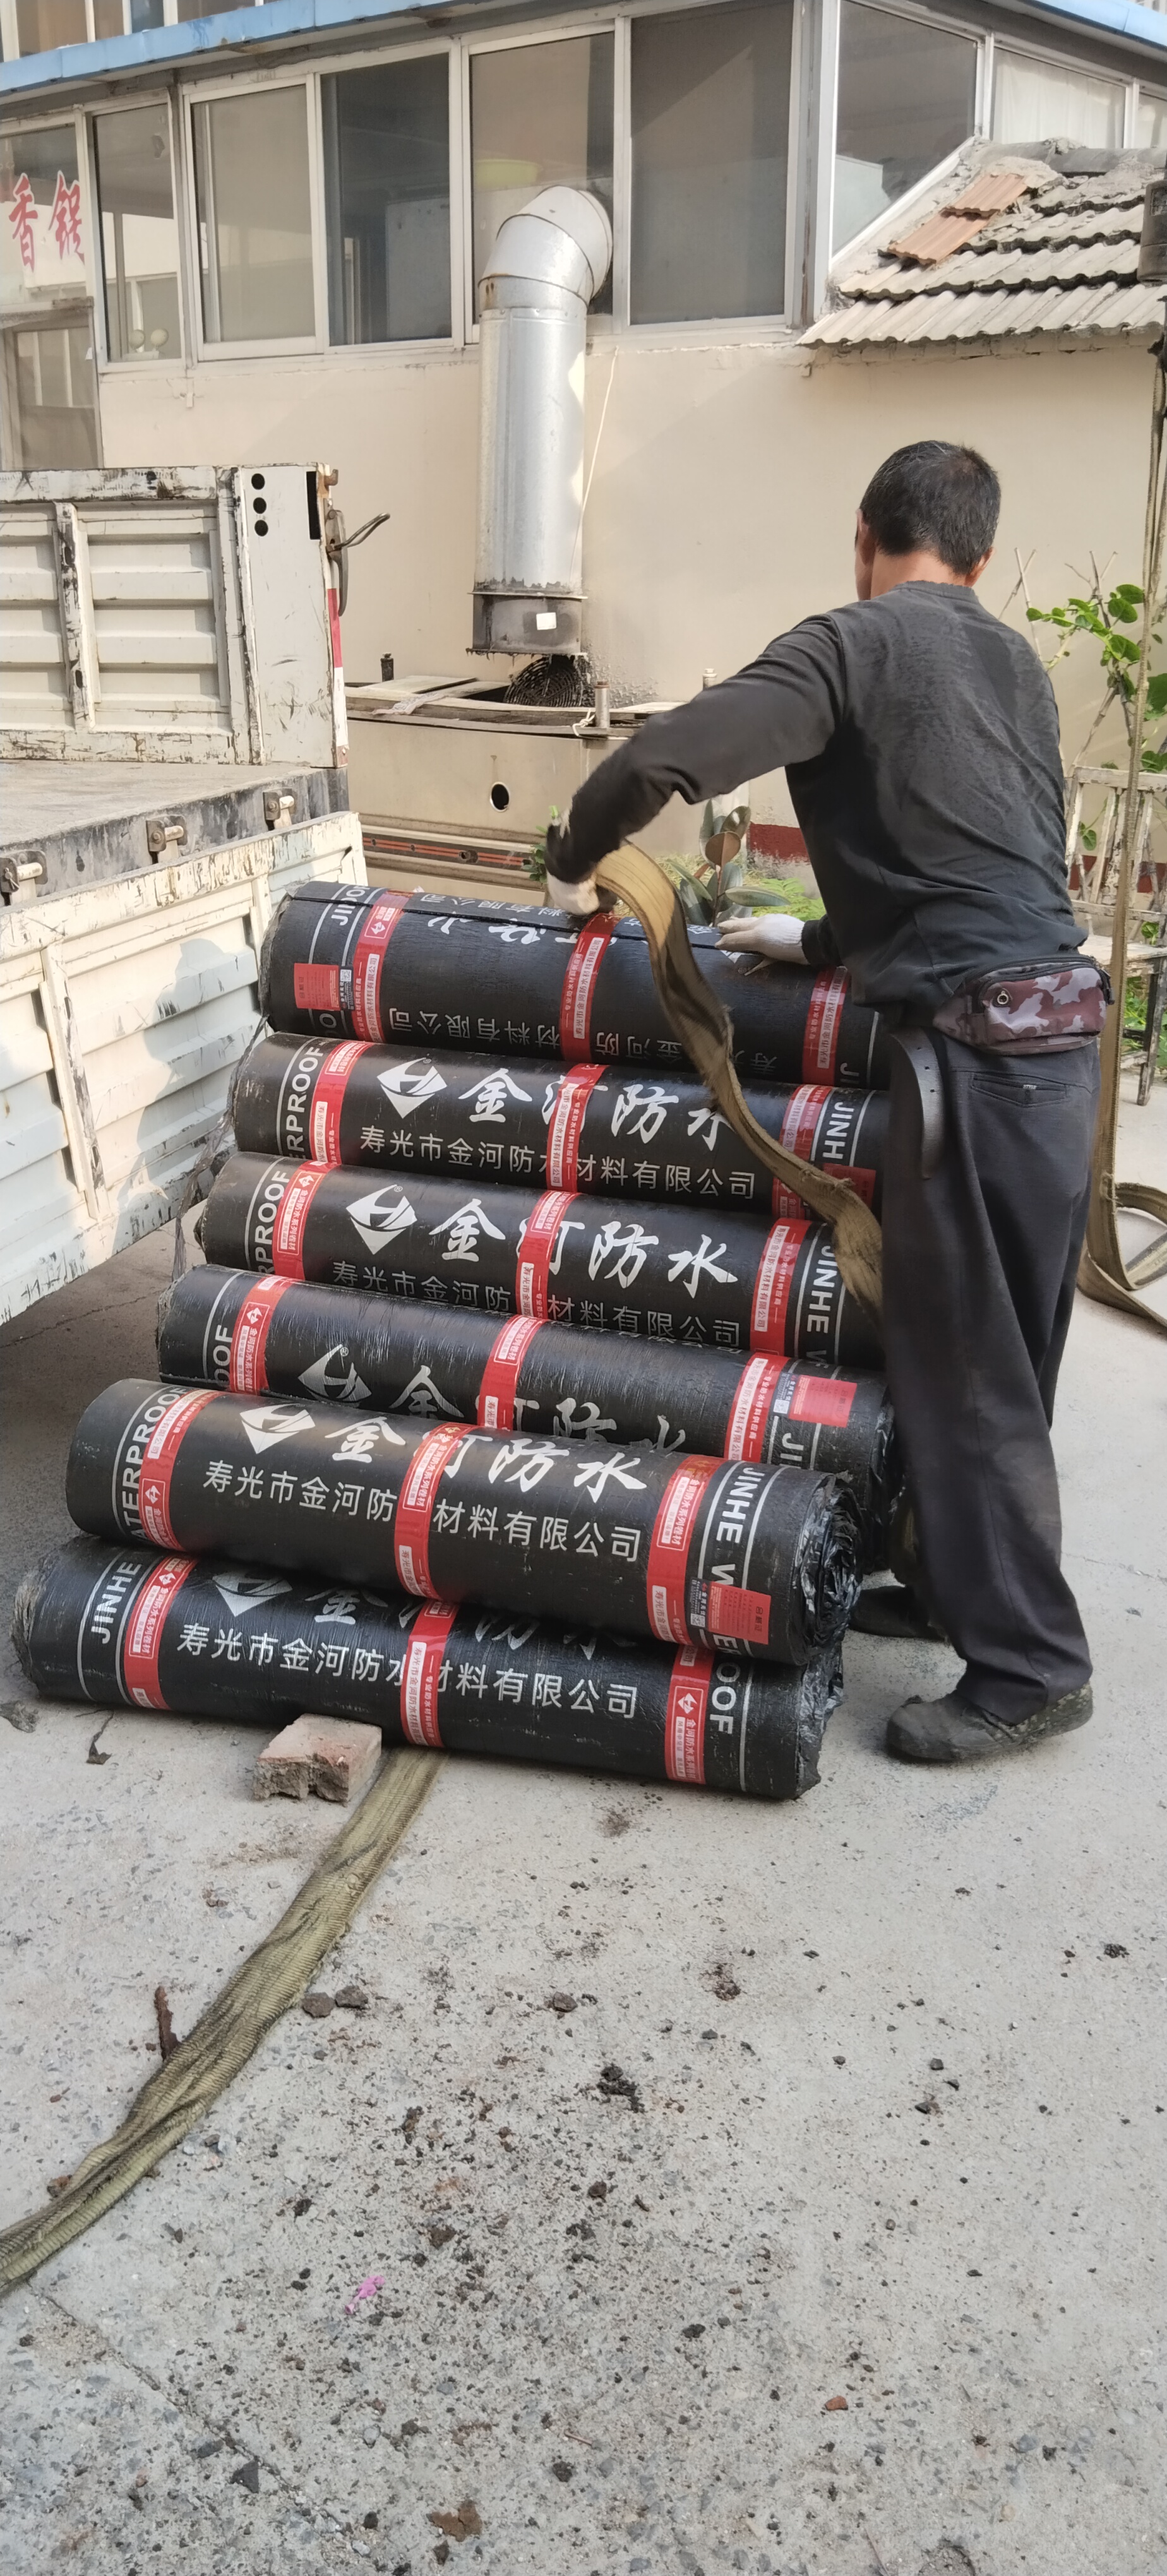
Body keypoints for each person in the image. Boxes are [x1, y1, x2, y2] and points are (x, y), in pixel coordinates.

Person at [543, 440, 1103, 1766]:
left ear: (865, 535)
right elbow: (970, 852)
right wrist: (817, 943)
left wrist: (573, 858)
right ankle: (959, 1589)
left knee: (965, 1373)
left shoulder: (849, 647)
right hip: (1060, 1043)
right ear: (981, 557)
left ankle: (1031, 1669)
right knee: (1009, 1359)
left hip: (975, 1056)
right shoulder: (1014, 664)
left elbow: (666, 761)